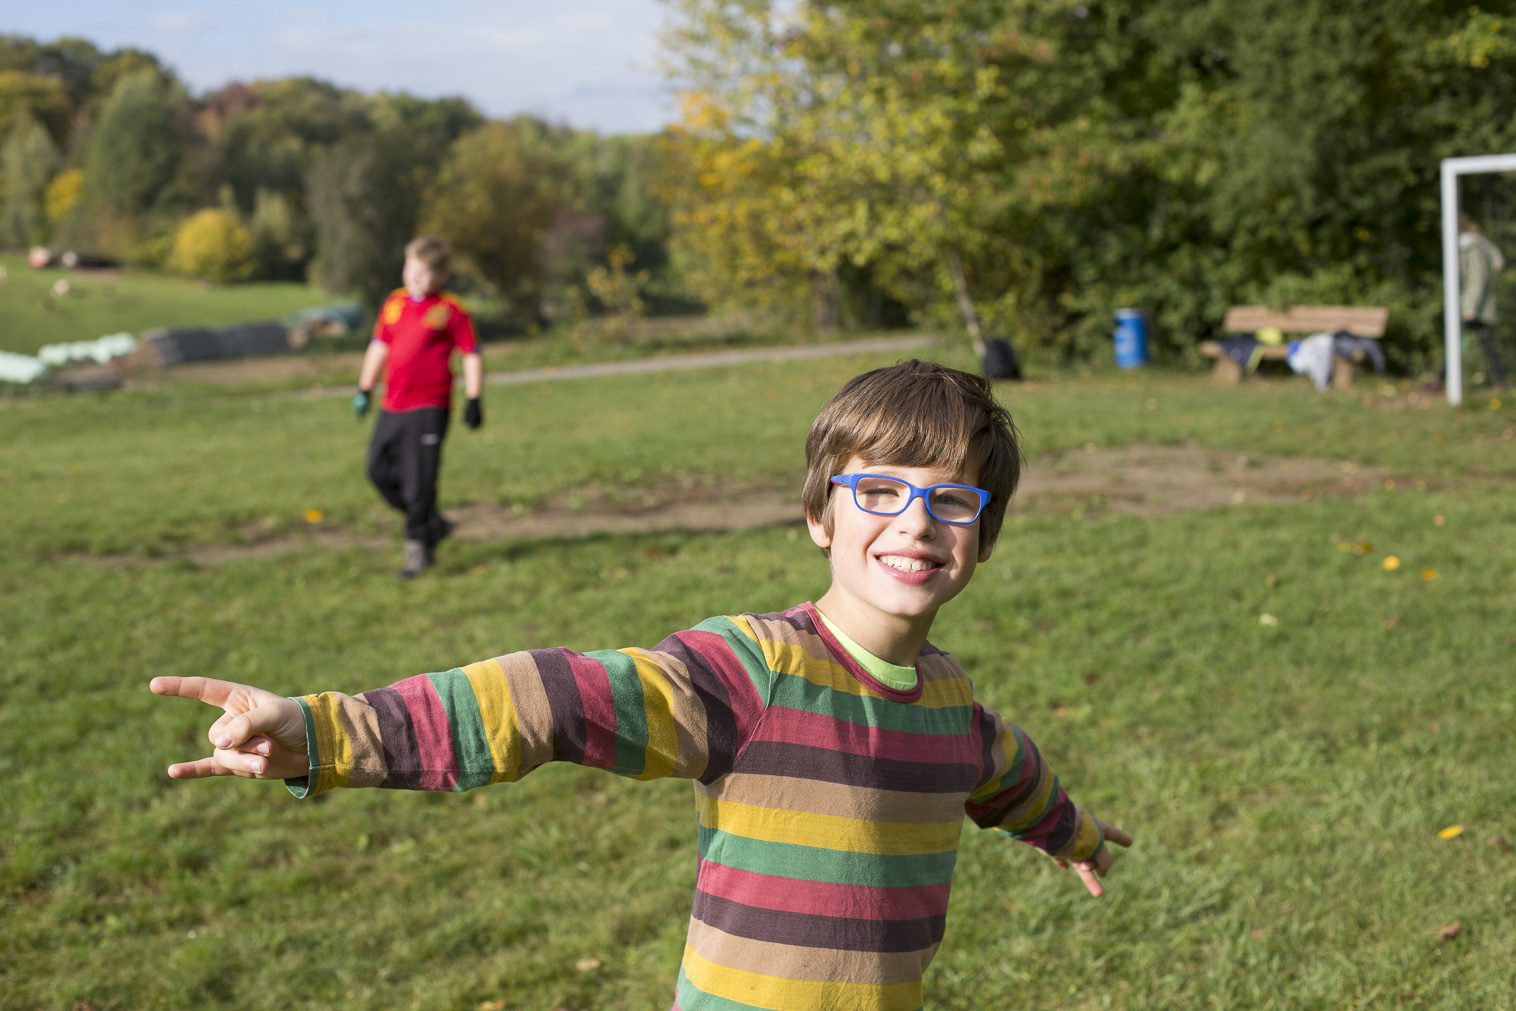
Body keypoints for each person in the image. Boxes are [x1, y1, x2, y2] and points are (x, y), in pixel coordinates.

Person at [150, 360, 1131, 1011]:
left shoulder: (948, 703)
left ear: (982, 538)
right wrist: (324, 732)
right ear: (819, 516)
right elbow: (546, 698)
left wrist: (1068, 831)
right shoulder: (754, 670)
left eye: (951, 500)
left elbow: (1002, 770)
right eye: (879, 490)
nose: (915, 522)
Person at [353, 236, 484, 577]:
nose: (415, 277)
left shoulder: (450, 309)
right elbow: (379, 345)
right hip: (393, 403)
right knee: (376, 470)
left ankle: (418, 548)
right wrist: (365, 388)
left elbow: (471, 353)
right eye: (411, 269)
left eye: (425, 272)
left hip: (429, 405)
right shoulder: (394, 304)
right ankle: (431, 521)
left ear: (443, 275)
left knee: (418, 481)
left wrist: (474, 398)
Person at [1431, 214, 1507, 394]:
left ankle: (1440, 381)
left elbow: (1477, 279)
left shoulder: (1472, 247)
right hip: (1470, 305)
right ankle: (1440, 380)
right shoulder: (1466, 246)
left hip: (1474, 308)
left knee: (1466, 342)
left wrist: (1470, 307)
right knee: (1474, 342)